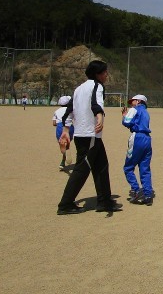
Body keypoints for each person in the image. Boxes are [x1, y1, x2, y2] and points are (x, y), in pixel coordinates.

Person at [56, 60, 122, 215]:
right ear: (97, 74)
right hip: (89, 134)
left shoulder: (78, 88)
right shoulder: (97, 86)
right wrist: (100, 117)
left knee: (101, 166)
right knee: (82, 169)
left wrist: (66, 130)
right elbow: (96, 103)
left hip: (85, 135)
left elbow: (69, 110)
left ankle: (104, 201)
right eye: (104, 72)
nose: (106, 75)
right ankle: (65, 204)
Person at [122, 94, 154, 206]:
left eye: (133, 101)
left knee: (128, 168)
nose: (131, 103)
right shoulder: (146, 112)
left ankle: (136, 190)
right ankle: (148, 195)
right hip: (147, 139)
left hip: (137, 138)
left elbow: (127, 122)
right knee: (145, 169)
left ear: (139, 101)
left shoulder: (134, 109)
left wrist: (124, 116)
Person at [53, 95, 74, 170]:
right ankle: (67, 147)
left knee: (61, 142)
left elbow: (54, 123)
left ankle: (63, 159)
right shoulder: (71, 110)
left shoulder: (57, 111)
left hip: (60, 126)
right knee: (67, 140)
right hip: (69, 126)